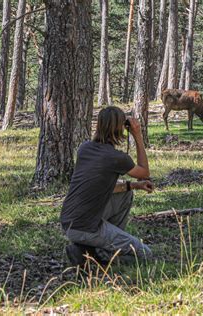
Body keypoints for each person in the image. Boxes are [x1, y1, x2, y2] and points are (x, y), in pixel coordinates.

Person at [60, 106, 153, 266]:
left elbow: (99, 185)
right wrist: (137, 135)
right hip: (87, 227)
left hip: (69, 221)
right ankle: (99, 258)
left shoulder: (85, 148)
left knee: (126, 193)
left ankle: (88, 249)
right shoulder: (116, 158)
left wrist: (134, 186)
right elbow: (144, 172)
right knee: (145, 254)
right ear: (120, 128)